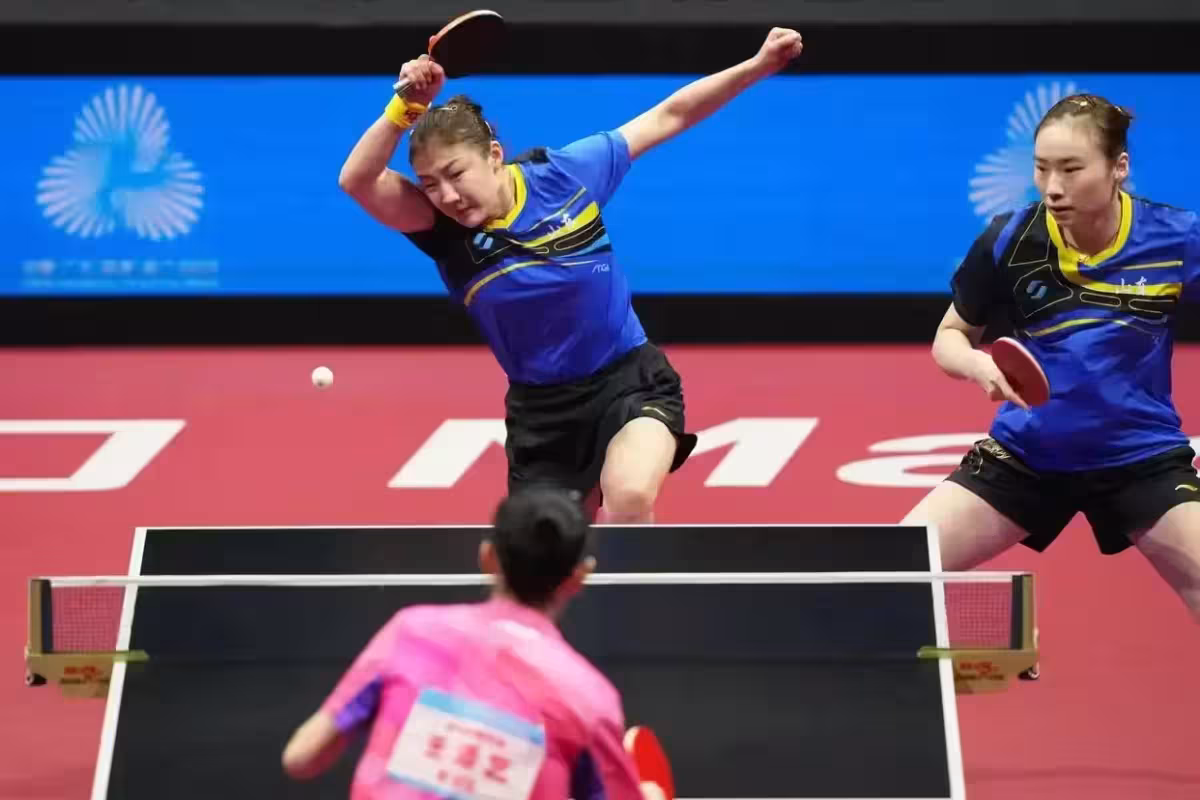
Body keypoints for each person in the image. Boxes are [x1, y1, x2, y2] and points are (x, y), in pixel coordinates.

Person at [337, 28, 805, 522]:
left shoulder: (564, 176)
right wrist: (404, 109)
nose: (447, 195)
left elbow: (670, 114)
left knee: (629, 495)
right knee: (545, 545)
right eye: (430, 184)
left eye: (456, 173)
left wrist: (757, 65)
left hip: (628, 380)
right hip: (543, 416)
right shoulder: (443, 231)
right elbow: (357, 180)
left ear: (493, 155)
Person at [904, 93, 1200, 627]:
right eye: (1041, 168)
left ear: (1118, 167)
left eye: (1071, 168)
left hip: (1141, 457)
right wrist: (979, 366)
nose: (1053, 187)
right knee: (894, 572)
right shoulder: (1010, 238)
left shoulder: (1177, 238)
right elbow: (949, 337)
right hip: (1027, 455)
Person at [282, 488, 652, 799]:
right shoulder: (588, 698)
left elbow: (301, 758)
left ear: (487, 557)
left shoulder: (411, 631)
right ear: (578, 577)